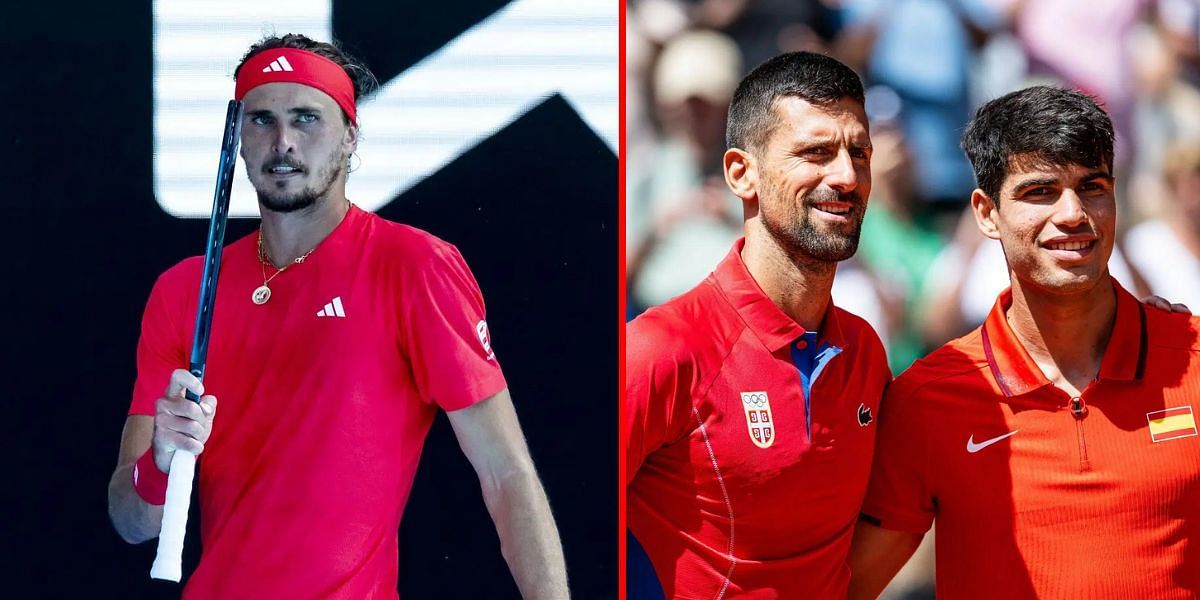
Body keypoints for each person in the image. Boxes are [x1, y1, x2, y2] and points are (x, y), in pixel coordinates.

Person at [106, 34, 568, 599]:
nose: (283, 143)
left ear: (350, 135)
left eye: (307, 119)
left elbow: (506, 476)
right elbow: (132, 523)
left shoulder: (415, 266)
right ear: (237, 137)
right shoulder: (182, 289)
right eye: (261, 120)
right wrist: (160, 460)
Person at [849, 86, 1200, 598]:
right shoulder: (928, 399)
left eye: (1092, 186)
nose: (1074, 213)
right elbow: (850, 585)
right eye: (1040, 192)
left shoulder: (1192, 358)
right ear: (986, 214)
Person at [625, 51, 891, 598]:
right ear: (741, 174)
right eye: (816, 153)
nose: (846, 176)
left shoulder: (864, 349)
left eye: (859, 154)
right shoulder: (660, 349)